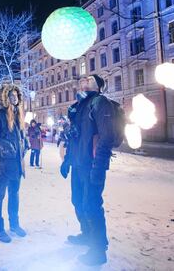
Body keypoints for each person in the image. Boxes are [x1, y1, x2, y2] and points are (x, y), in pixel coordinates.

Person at [60, 74, 115, 266]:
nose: (84, 80)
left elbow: (107, 137)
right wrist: (67, 160)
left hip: (92, 166)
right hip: (78, 164)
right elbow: (74, 138)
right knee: (78, 201)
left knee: (91, 205)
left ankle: (99, 249)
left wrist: (98, 167)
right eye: (83, 79)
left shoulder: (100, 103)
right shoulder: (79, 107)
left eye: (90, 79)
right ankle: (86, 234)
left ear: (99, 86)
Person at [0, 84, 29, 243]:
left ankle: (14, 224)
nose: (14, 98)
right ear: (5, 98)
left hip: (17, 164)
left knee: (14, 195)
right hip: (2, 164)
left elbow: (21, 136)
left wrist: (25, 144)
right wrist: (6, 145)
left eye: (16, 95)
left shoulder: (20, 115)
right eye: (11, 96)